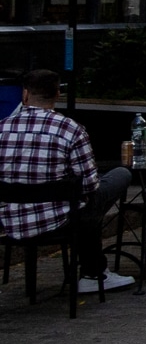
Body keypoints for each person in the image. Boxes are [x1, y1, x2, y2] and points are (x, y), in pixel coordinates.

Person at [0, 69, 136, 293]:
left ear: (24, 95)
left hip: (12, 221)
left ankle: (92, 268)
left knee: (86, 200)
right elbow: (89, 185)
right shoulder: (70, 129)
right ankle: (93, 271)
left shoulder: (2, 128)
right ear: (57, 95)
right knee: (115, 179)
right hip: (60, 220)